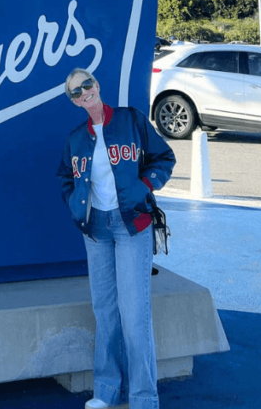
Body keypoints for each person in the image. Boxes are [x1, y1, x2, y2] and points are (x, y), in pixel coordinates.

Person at [57, 68, 176, 409]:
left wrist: (145, 186)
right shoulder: (76, 138)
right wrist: (75, 205)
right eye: (75, 92)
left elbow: (164, 157)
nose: (83, 92)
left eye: (86, 84)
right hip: (95, 229)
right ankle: (106, 391)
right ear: (74, 101)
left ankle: (143, 399)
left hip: (131, 225)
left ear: (97, 83)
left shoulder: (130, 120)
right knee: (105, 311)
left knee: (135, 313)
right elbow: (66, 177)